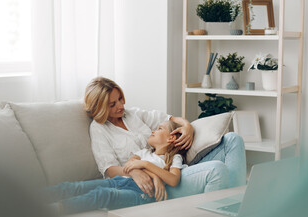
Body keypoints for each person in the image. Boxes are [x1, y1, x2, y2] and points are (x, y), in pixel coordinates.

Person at [85, 77, 246, 199]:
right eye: (112, 104)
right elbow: (109, 169)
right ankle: (219, 215)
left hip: (175, 164)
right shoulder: (99, 129)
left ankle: (234, 203)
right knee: (216, 169)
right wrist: (135, 172)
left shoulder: (132, 114)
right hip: (163, 179)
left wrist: (187, 127)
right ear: (100, 108)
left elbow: (171, 119)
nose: (120, 106)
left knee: (232, 140)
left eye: (120, 99)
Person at [45, 120, 186, 214]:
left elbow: (173, 180)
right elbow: (128, 166)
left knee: (104, 195)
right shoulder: (143, 152)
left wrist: (145, 164)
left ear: (171, 138)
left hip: (141, 194)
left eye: (159, 129)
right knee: (75, 187)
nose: (153, 131)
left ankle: (55, 210)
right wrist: (155, 175)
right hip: (120, 180)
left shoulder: (174, 158)